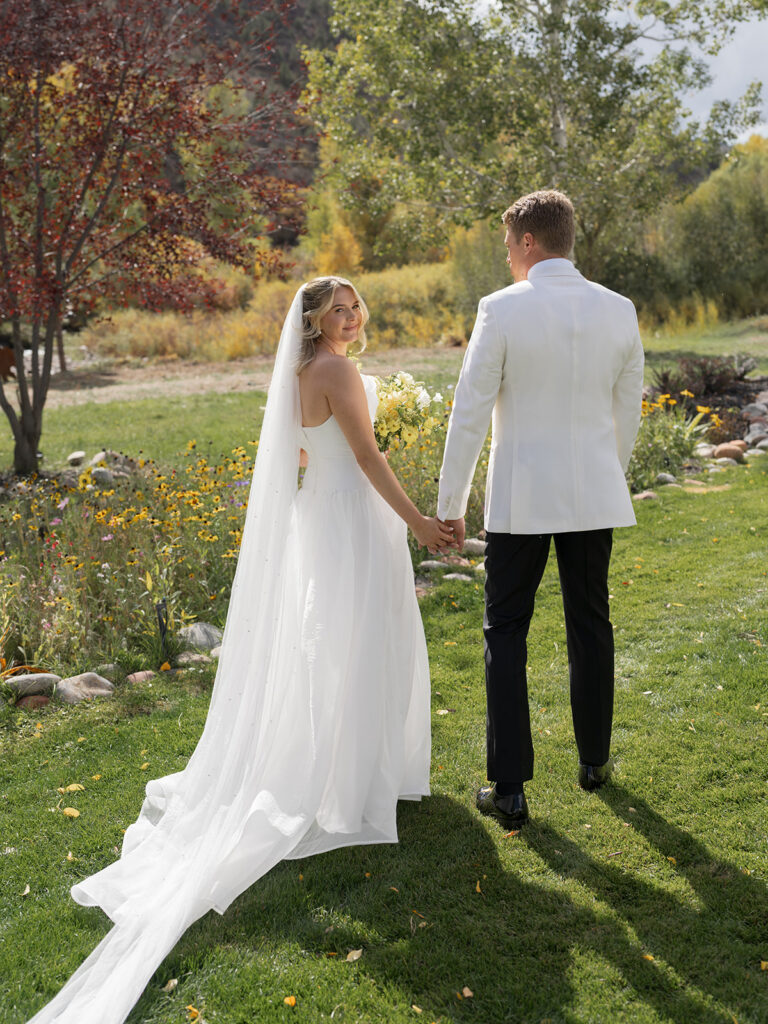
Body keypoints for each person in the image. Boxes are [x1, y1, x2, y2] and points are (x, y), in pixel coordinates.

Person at [27, 277, 453, 1023]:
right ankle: (352, 785)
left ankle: (349, 773)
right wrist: (419, 523)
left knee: (338, 650)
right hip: (353, 520)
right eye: (338, 310)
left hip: (323, 521)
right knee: (360, 647)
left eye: (355, 306)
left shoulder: (296, 375)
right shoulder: (337, 371)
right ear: (315, 321)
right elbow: (366, 456)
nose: (351, 317)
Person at [437, 190, 644, 829]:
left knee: (506, 630)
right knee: (590, 623)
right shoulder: (619, 309)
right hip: (592, 494)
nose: (506, 255)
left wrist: (449, 504)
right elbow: (627, 409)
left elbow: (470, 410)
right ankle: (595, 760)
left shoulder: (500, 310)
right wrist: (608, 474)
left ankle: (510, 789)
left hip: (521, 500)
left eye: (507, 244)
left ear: (529, 241)